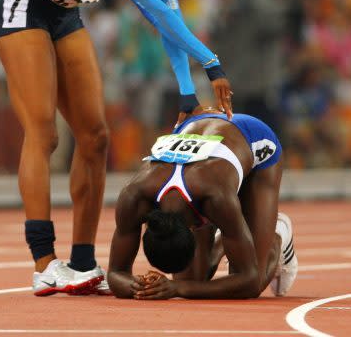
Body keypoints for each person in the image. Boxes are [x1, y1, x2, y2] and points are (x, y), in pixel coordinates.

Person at [0, 0, 233, 296]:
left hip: (64, 16)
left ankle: (83, 263)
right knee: (43, 134)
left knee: (96, 136)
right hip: (23, 11)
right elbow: (152, 12)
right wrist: (211, 62)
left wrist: (186, 91)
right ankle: (44, 261)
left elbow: (169, 10)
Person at [107, 108, 297, 299]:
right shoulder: (133, 196)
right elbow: (115, 273)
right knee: (192, 280)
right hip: (199, 133)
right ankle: (232, 234)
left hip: (255, 140)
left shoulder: (216, 198)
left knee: (255, 278)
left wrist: (178, 288)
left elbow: (249, 281)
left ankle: (278, 235)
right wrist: (139, 286)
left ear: (192, 229)